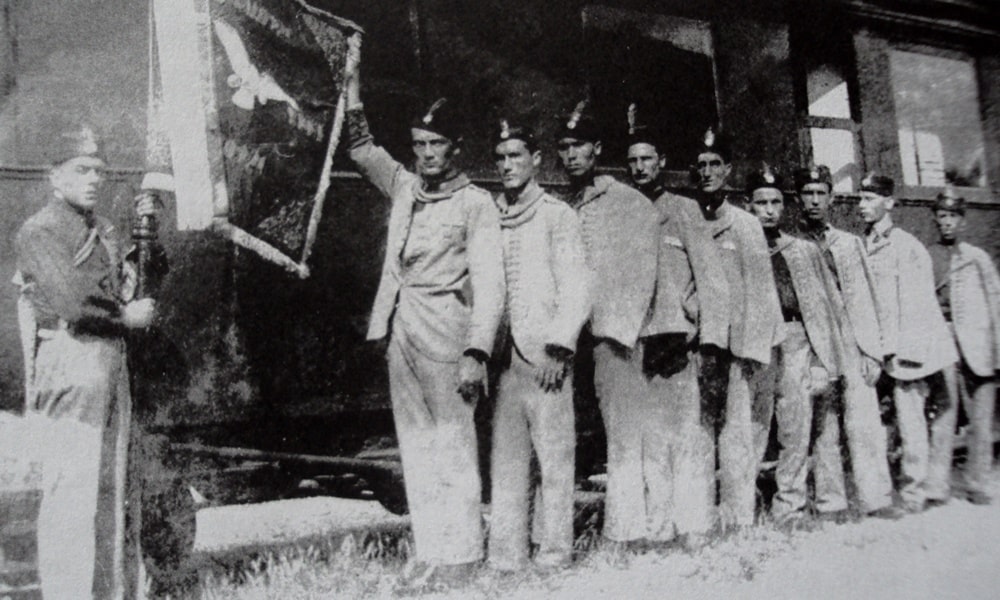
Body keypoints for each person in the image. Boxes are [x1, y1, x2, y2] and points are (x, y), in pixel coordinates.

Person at [344, 62, 505, 584]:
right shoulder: (405, 187)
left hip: (450, 339)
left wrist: (478, 353)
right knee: (416, 447)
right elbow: (362, 150)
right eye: (419, 144)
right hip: (403, 334)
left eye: (436, 144)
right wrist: (351, 90)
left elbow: (491, 284)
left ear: (455, 147)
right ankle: (433, 551)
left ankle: (462, 556)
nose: (427, 154)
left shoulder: (476, 203)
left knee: (455, 444)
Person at [14, 123, 161, 599]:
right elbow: (76, 304)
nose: (94, 178)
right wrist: (127, 316)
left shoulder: (101, 229)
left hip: (108, 362)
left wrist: (147, 247)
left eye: (98, 170)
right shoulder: (39, 231)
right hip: (71, 361)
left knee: (112, 490)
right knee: (71, 495)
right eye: (81, 169)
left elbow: (119, 284)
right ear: (54, 177)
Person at [487, 119, 591, 571]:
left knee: (554, 458)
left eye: (516, 157)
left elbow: (577, 286)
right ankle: (508, 555)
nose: (507, 165)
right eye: (501, 158)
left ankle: (554, 552)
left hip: (544, 356)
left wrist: (559, 347)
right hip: (503, 359)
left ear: (536, 161)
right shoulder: (491, 213)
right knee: (507, 461)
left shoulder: (556, 215)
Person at [555, 98, 660, 545]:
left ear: (597, 149)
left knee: (623, 436)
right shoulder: (562, 203)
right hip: (568, 340)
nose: (571, 155)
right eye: (563, 147)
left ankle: (628, 531)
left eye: (579, 145)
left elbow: (643, 273)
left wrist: (620, 332)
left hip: (610, 337)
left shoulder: (628, 202)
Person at [624, 104, 729, 546]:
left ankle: (695, 526)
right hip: (634, 346)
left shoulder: (685, 211)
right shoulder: (622, 211)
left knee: (689, 439)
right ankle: (659, 526)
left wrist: (708, 343)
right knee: (650, 444)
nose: (639, 167)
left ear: (661, 162)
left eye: (647, 159)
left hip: (679, 345)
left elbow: (713, 282)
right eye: (631, 161)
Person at [745, 165, 850, 525]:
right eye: (761, 203)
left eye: (776, 202)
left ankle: (788, 508)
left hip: (795, 343)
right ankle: (742, 510)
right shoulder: (742, 247)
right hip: (754, 345)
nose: (769, 210)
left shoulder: (803, 251)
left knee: (795, 427)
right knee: (752, 427)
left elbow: (826, 310)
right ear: (749, 206)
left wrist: (823, 360)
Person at [689, 128, 782, 528]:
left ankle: (739, 517)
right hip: (697, 346)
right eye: (701, 166)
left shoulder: (744, 225)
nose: (707, 172)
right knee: (697, 433)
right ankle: (699, 518)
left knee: (736, 434)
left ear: (727, 170)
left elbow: (760, 293)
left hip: (735, 348)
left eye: (715, 165)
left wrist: (749, 353)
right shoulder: (688, 217)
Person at [796, 166, 901, 521]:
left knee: (863, 422)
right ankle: (831, 502)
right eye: (807, 193)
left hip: (852, 343)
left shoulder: (850, 243)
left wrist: (873, 352)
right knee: (823, 426)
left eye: (820, 193)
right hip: (816, 345)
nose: (813, 200)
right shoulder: (793, 244)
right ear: (799, 198)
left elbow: (867, 300)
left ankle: (876, 497)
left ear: (831, 198)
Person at [857, 172, 957, 513]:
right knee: (882, 423)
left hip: (906, 351)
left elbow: (919, 307)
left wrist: (907, 355)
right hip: (879, 350)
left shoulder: (906, 246)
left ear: (889, 203)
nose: (861, 205)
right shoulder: (865, 242)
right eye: (859, 198)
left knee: (911, 420)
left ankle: (914, 494)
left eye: (869, 199)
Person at [924, 188, 1000, 506]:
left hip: (980, 344)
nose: (947, 223)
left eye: (953, 216)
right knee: (945, 411)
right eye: (942, 216)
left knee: (982, 417)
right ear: (936, 219)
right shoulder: (927, 255)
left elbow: (996, 302)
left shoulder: (977, 258)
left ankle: (978, 483)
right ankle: (937, 485)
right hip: (943, 339)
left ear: (963, 220)